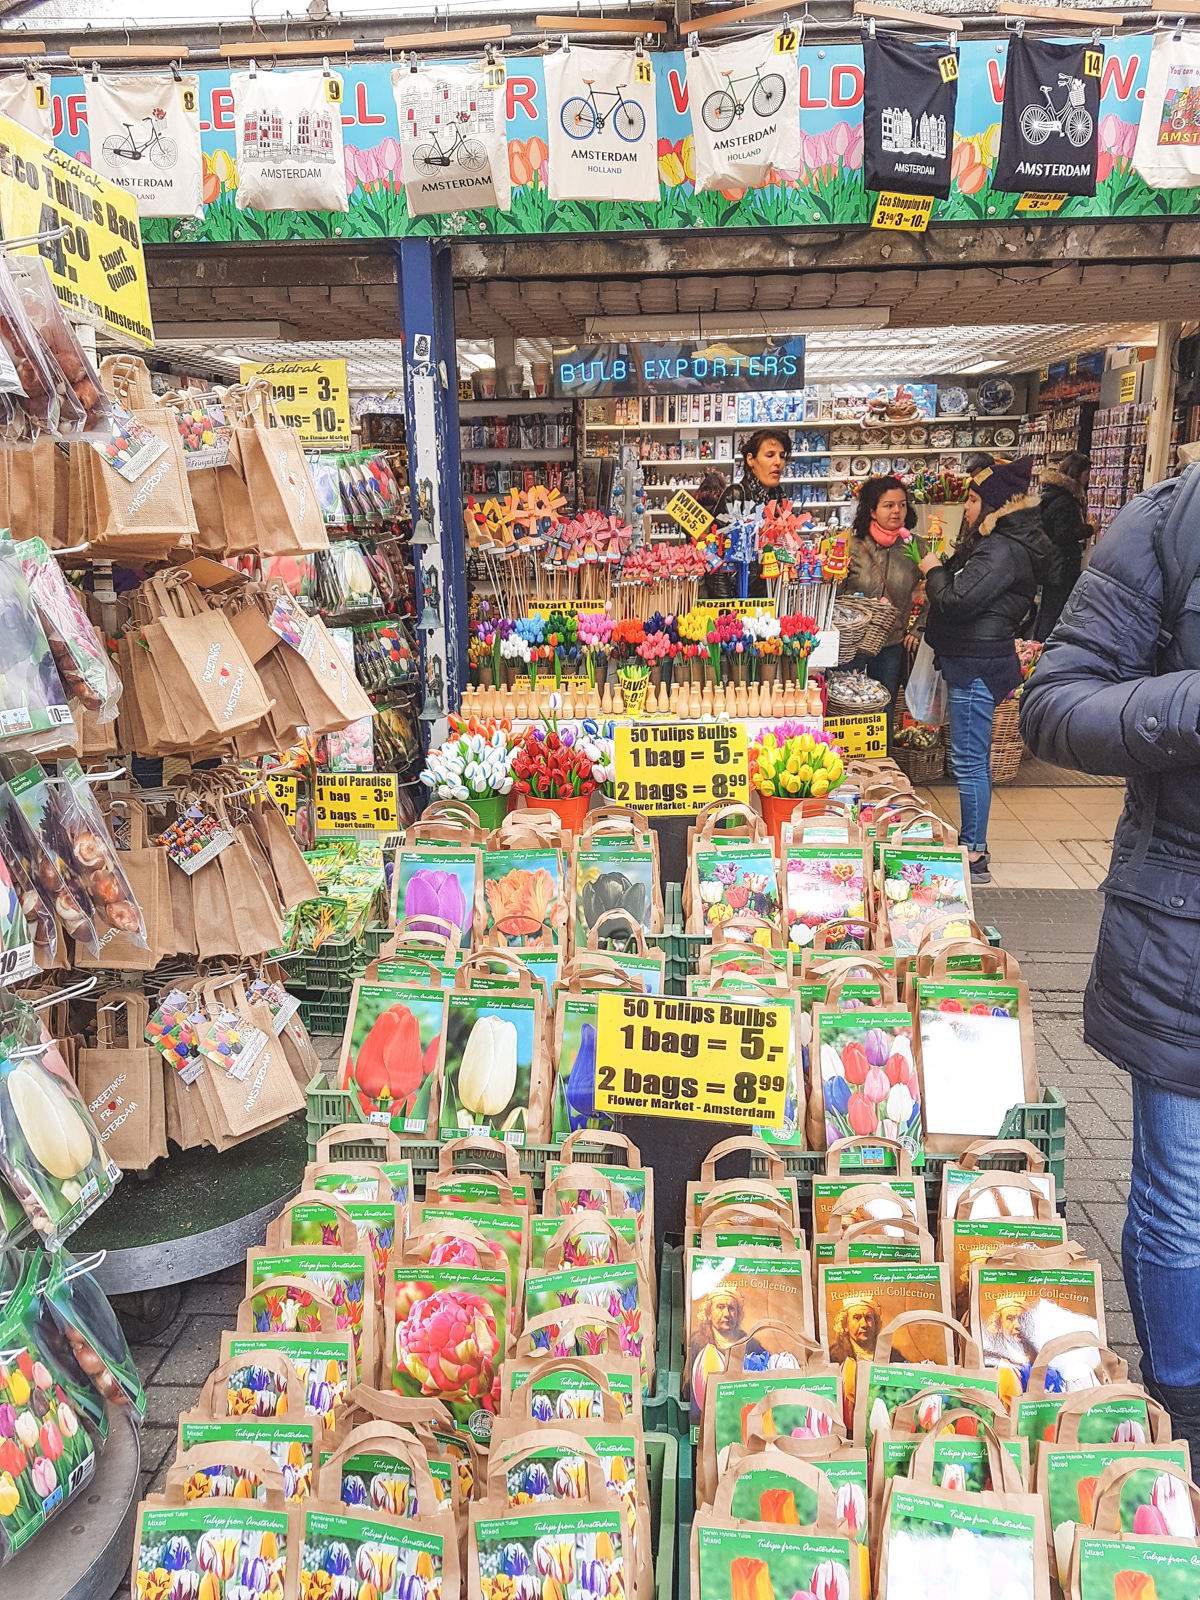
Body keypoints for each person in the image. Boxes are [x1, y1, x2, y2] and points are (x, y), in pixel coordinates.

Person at [1019, 461, 1200, 1457]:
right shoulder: (1176, 521)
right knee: (1181, 1194)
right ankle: (1184, 1408)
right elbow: (1056, 704)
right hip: (1186, 924)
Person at [919, 456, 1051, 885]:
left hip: (976, 663)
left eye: (975, 499)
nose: (968, 508)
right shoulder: (1003, 543)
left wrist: (934, 570)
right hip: (974, 658)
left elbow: (957, 601)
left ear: (996, 504)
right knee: (969, 757)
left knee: (970, 760)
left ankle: (974, 852)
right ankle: (972, 845)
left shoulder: (1000, 548)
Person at [841, 476, 922, 741]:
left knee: (883, 707)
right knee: (845, 705)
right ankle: (844, 758)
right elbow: (835, 592)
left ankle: (882, 763)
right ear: (872, 510)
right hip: (851, 643)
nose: (897, 511)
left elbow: (936, 590)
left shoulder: (915, 546)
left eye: (902, 505)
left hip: (891, 643)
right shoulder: (851, 546)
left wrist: (919, 627)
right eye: (888, 505)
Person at [1034, 450, 1092, 642]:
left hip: (1053, 564)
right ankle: (1043, 649)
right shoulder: (1066, 500)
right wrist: (1088, 529)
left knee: (1048, 610)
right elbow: (1063, 533)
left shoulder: (1053, 494)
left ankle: (1038, 646)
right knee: (1054, 610)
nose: (1087, 479)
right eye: (1085, 474)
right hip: (1061, 565)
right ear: (1077, 473)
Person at [828, 1296, 881, 1364]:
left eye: (868, 1318)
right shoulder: (834, 1356)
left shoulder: (891, 1354)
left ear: (875, 1323)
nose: (864, 1324)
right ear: (845, 1325)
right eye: (857, 1318)